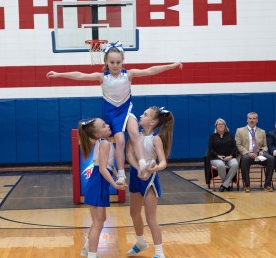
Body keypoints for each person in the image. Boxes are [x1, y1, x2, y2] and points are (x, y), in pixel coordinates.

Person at [47, 41, 183, 185]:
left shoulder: (129, 74)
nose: (115, 65)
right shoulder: (102, 77)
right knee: (120, 141)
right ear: (106, 61)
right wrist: (58, 74)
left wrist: (170, 66)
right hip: (112, 114)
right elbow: (80, 75)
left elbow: (150, 70)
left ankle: (142, 163)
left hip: (126, 109)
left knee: (135, 133)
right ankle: (121, 173)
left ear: (122, 61)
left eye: (118, 62)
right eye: (112, 62)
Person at [125, 106, 174, 258]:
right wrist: (139, 167)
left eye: (145, 114)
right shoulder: (134, 136)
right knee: (134, 213)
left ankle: (160, 255)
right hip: (136, 176)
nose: (141, 115)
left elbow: (163, 162)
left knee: (151, 217)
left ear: (152, 122)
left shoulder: (156, 139)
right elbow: (129, 155)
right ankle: (140, 242)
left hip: (149, 179)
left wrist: (153, 168)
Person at [78, 118, 127, 258]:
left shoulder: (102, 141)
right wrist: (115, 184)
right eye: (104, 126)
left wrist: (118, 177)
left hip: (96, 183)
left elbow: (107, 166)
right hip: (99, 182)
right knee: (98, 223)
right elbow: (103, 169)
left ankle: (87, 250)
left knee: (99, 220)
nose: (108, 126)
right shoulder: (105, 143)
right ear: (98, 133)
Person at [235, 112, 275, 192]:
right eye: (250, 118)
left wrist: (263, 151)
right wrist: (248, 153)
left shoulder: (262, 131)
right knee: (245, 159)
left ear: (257, 120)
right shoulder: (240, 130)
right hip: (247, 154)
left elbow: (265, 145)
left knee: (271, 159)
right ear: (247, 120)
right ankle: (247, 185)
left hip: (259, 155)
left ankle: (267, 184)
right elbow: (238, 145)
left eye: (254, 118)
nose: (252, 120)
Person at [207, 118, 239, 192]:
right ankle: (227, 185)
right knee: (221, 165)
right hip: (216, 158)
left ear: (225, 126)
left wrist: (231, 156)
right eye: (219, 124)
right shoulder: (212, 136)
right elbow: (210, 149)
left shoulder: (230, 135)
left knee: (235, 164)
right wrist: (218, 156)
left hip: (229, 157)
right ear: (216, 126)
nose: (220, 125)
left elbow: (234, 147)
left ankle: (224, 185)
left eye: (222, 124)